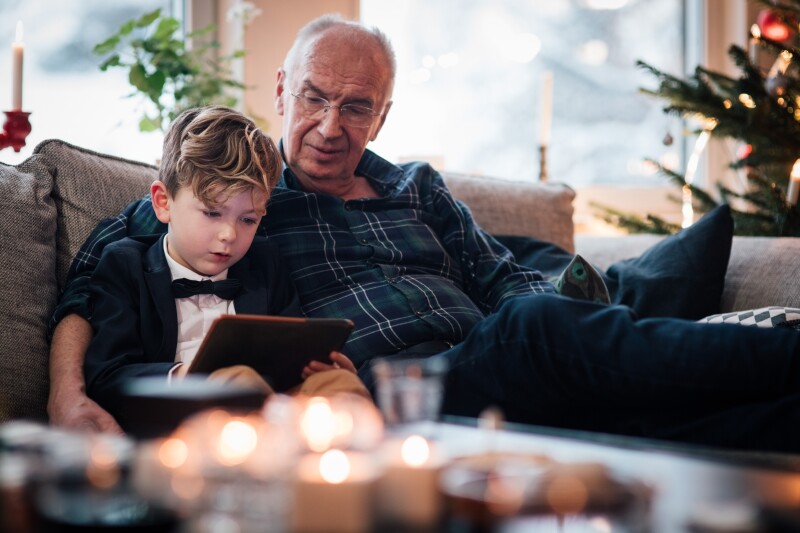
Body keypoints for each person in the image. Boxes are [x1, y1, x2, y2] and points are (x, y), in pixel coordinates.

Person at [49, 15, 800, 451]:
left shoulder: (419, 186)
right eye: (314, 97)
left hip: (498, 365)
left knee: (698, 418)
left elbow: (504, 280)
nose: (330, 126)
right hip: (389, 383)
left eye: (357, 107)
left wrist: (579, 315)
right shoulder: (242, 196)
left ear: (383, 116)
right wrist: (66, 392)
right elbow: (104, 262)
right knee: (532, 330)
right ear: (282, 89)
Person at [80, 105, 367, 431]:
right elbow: (106, 376)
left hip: (270, 402)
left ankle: (350, 467)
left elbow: (289, 343)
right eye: (212, 213)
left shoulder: (265, 263)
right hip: (173, 414)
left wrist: (317, 365)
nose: (229, 234)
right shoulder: (125, 263)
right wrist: (182, 375)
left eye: (248, 219)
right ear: (163, 202)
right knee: (238, 380)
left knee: (337, 385)